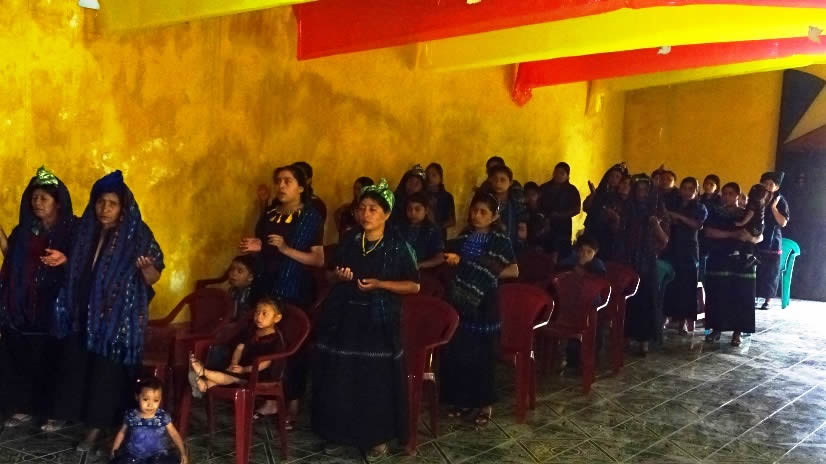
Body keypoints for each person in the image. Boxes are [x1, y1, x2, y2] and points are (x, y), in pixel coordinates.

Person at [53, 170, 164, 451]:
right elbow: (80, 268)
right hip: (85, 315)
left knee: (106, 374)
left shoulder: (138, 234)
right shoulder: (85, 231)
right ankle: (80, 417)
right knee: (81, 367)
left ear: (123, 207)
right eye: (100, 202)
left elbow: (153, 276)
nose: (105, 209)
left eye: (112, 204)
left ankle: (95, 428)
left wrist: (146, 269)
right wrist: (65, 261)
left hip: (118, 320)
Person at [312, 179, 420, 462]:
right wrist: (339, 277)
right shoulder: (349, 240)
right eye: (362, 208)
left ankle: (377, 438)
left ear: (386, 214)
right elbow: (329, 275)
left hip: (379, 321)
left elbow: (413, 285)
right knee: (342, 376)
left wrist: (381, 284)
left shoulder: (398, 245)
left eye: (373, 209)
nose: (365, 214)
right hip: (346, 317)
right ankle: (339, 434)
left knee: (375, 380)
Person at [239, 164, 324, 421]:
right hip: (266, 287)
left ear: (301, 187)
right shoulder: (270, 213)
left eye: (288, 181)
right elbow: (264, 246)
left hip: (293, 289)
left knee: (291, 345)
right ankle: (269, 399)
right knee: (265, 342)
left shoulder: (309, 216)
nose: (281, 186)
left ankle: (292, 401)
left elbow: (318, 259)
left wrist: (285, 249)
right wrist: (255, 248)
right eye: (278, 181)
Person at [0, 167, 75, 431]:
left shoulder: (73, 230)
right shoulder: (24, 230)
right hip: (27, 306)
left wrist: (65, 260)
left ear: (58, 202)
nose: (37, 202)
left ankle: (56, 412)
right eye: (34, 197)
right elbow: (12, 258)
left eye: (44, 198)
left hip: (59, 307)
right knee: (23, 355)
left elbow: (86, 263)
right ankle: (25, 407)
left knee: (55, 359)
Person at [440, 191, 519, 429]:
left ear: (494, 216)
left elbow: (513, 271)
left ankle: (485, 405)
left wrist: (480, 270)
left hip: (485, 302)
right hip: (461, 300)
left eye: (483, 212)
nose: (477, 215)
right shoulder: (463, 238)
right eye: (474, 210)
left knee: (483, 355)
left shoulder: (500, 242)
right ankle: (463, 401)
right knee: (461, 352)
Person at [188, 298, 287, 397]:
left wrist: (244, 370)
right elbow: (239, 347)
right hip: (241, 367)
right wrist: (234, 363)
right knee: (229, 372)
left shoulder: (275, 340)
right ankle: (204, 385)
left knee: (231, 376)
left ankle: (203, 372)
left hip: (257, 374)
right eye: (257, 312)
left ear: (277, 318)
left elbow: (264, 364)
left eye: (264, 314)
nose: (259, 317)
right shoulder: (251, 329)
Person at [704, 183, 763, 346]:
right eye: (724, 193)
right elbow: (708, 232)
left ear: (738, 195)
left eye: (731, 193)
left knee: (742, 295)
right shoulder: (715, 213)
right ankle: (716, 329)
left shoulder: (747, 214)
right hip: (720, 257)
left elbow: (760, 234)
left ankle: (738, 332)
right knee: (718, 294)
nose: (727, 197)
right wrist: (732, 234)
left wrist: (750, 238)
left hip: (743, 260)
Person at [617, 174, 669, 356]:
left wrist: (654, 224)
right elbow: (620, 232)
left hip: (647, 260)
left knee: (646, 299)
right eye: (638, 189)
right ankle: (625, 336)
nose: (641, 193)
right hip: (628, 258)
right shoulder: (628, 208)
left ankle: (644, 340)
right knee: (628, 298)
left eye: (645, 190)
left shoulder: (658, 210)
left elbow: (664, 239)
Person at [662, 178, 708, 335]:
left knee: (687, 284)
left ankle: (683, 322)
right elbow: (665, 218)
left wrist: (679, 217)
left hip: (689, 249)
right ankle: (666, 317)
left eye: (691, 189)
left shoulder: (700, 207)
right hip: (671, 246)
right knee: (670, 283)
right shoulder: (673, 203)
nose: (687, 192)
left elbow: (697, 224)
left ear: (696, 191)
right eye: (685, 188)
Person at [110, 377, 187, 464]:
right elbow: (122, 433)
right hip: (134, 455)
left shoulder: (162, 416)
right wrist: (114, 450)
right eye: (145, 399)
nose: (150, 405)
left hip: (158, 455)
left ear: (160, 399)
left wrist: (183, 453)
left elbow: (174, 434)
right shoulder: (131, 415)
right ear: (137, 397)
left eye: (156, 400)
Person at [755, 171, 790, 310]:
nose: (767, 186)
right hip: (757, 238)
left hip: (773, 240)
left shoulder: (780, 201)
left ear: (777, 187)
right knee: (756, 269)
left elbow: (783, 223)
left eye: (771, 184)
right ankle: (754, 296)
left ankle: (768, 300)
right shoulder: (757, 197)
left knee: (771, 272)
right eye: (765, 183)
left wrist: (773, 208)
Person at [583, 163, 628, 260]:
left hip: (607, 236)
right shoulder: (599, 191)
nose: (613, 179)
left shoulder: (621, 197)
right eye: (612, 175)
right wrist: (593, 194)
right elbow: (585, 208)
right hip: (591, 231)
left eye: (617, 177)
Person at [539, 162, 581, 260]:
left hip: (563, 225)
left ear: (567, 176)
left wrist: (560, 215)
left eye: (562, 173)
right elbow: (538, 205)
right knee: (545, 251)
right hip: (546, 223)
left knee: (561, 252)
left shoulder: (571, 190)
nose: (558, 175)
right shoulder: (544, 187)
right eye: (556, 172)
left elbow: (576, 209)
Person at [483, 165, 527, 247]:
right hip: (489, 245)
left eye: (502, 180)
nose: (498, 183)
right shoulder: (485, 202)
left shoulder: (516, 203)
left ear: (510, 183)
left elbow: (522, 231)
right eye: (495, 179)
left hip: (511, 245)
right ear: (490, 181)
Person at [400, 192, 444, 269]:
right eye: (409, 209)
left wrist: (418, 265)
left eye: (417, 209)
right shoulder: (399, 227)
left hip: (422, 270)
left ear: (426, 210)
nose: (413, 213)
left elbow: (440, 258)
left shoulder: (432, 230)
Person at [335, 176, 374, 242]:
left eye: (359, 189)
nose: (355, 192)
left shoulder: (373, 211)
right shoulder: (347, 209)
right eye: (355, 188)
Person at [425, 163, 456, 241]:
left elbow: (452, 221)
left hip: (439, 236)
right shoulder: (422, 194)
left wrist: (437, 226)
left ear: (441, 178)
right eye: (427, 175)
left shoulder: (447, 197)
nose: (430, 178)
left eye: (434, 175)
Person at [226, 255, 256, 321]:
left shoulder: (251, 293)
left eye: (240, 271)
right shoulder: (232, 290)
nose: (234, 273)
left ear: (250, 277)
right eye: (231, 269)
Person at [523, 182, 549, 251]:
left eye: (533, 194)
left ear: (539, 195)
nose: (530, 197)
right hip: (527, 244)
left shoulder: (543, 210)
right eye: (527, 195)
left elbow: (547, 228)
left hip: (542, 244)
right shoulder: (522, 210)